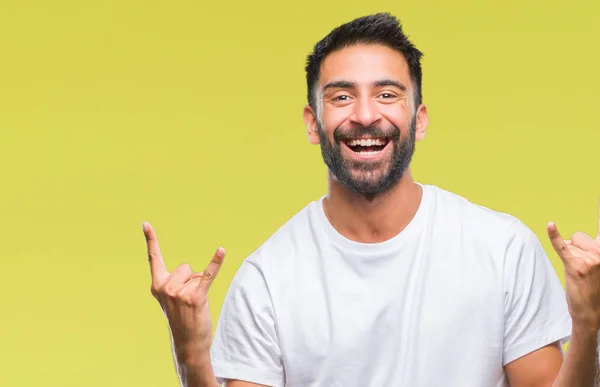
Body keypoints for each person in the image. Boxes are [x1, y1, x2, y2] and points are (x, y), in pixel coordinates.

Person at [143, 13, 600, 387]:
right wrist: (191, 355)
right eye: (342, 97)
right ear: (312, 122)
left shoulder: (503, 250)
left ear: (418, 120)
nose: (365, 115)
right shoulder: (267, 282)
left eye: (387, 94)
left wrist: (588, 323)